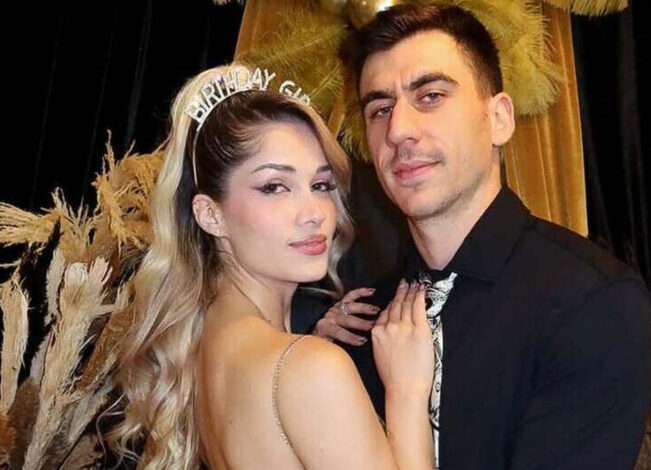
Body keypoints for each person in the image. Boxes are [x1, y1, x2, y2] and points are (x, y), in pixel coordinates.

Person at [309, 4, 651, 469]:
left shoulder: (591, 303)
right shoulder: (359, 321)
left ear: (499, 118)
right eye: (380, 109)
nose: (398, 130)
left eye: (431, 96)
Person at [109, 64, 436, 470]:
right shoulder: (309, 369)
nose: (314, 213)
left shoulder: (202, 349)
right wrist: (407, 393)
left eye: (320, 185)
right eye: (274, 187)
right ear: (211, 215)